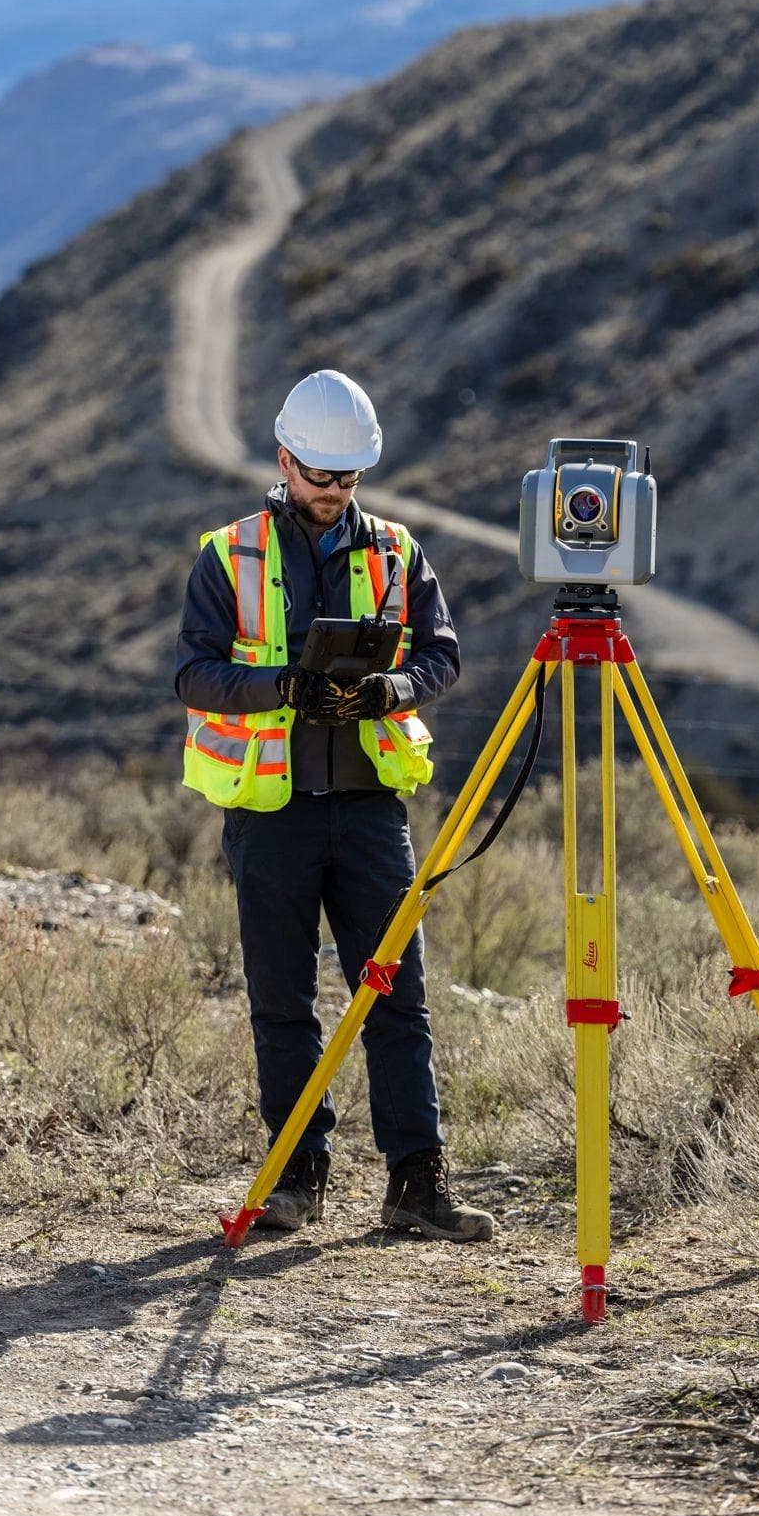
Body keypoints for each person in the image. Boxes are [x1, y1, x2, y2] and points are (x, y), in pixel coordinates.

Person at [175, 369, 493, 1243]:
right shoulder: (228, 554)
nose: (335, 494)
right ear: (286, 461)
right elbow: (194, 673)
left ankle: (416, 1186)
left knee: (397, 1000)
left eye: (348, 479)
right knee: (282, 1003)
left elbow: (442, 654)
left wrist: (393, 689)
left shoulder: (396, 550)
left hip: (368, 811)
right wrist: (282, 687)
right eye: (321, 478)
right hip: (270, 813)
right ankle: (294, 1180)